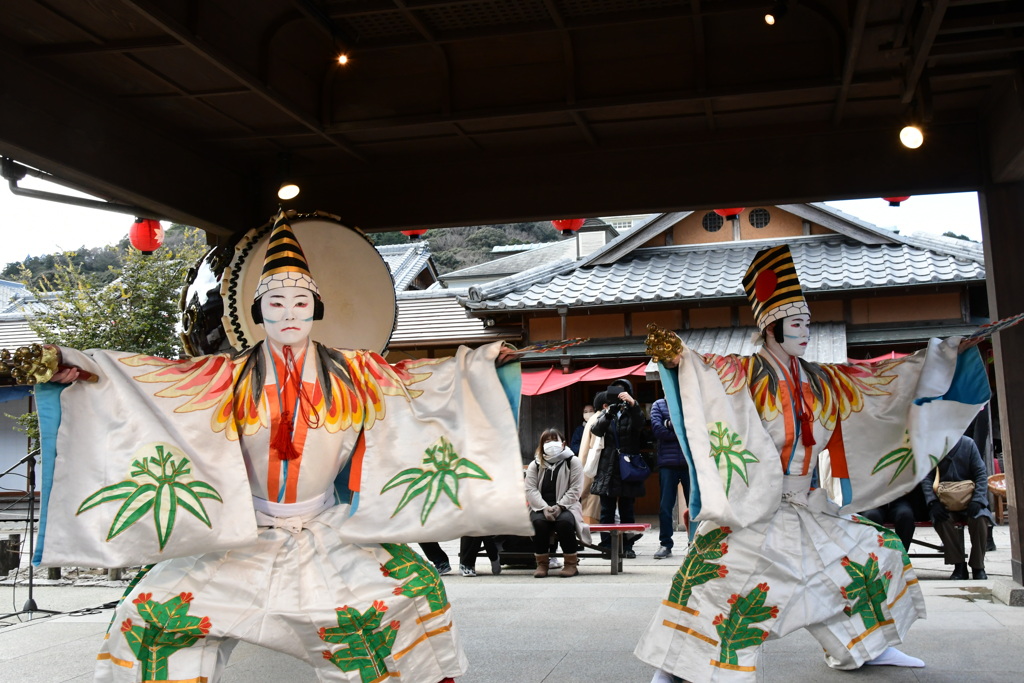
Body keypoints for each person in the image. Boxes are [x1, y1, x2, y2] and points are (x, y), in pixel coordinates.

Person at [33, 210, 529, 683]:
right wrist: (75, 364)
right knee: (149, 619)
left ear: (316, 308)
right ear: (257, 312)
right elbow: (144, 378)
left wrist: (482, 364)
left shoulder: (359, 371)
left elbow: (422, 385)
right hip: (241, 532)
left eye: (299, 303)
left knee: (404, 603)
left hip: (327, 529)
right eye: (275, 303)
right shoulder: (223, 375)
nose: (288, 313)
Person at [636, 244, 990, 683]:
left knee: (871, 557)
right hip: (756, 507)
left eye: (808, 323)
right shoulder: (740, 372)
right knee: (714, 576)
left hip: (808, 503)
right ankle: (674, 668)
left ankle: (868, 649)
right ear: (770, 327)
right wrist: (678, 356)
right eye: (797, 323)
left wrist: (948, 357)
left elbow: (882, 380)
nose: (806, 331)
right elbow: (704, 372)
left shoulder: (823, 379)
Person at [921, 434, 994, 580]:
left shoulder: (969, 444)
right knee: (942, 520)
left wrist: (978, 500)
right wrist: (933, 502)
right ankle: (958, 565)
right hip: (945, 502)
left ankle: (978, 565)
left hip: (970, 500)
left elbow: (980, 473)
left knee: (980, 519)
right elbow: (926, 477)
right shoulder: (934, 445)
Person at [590, 378, 647, 559]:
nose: (620, 395)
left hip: (627, 466)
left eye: (623, 391)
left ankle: (627, 545)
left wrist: (633, 404)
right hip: (608, 466)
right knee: (606, 510)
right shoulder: (608, 412)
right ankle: (607, 545)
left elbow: (641, 425)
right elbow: (596, 430)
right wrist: (608, 413)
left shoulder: (633, 413)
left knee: (627, 509)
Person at [524, 428, 590, 577]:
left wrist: (560, 507)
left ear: (563, 443)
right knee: (538, 523)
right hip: (540, 507)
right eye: (547, 441)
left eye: (555, 440)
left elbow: (576, 488)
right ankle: (542, 564)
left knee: (564, 523)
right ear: (541, 445)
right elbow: (530, 489)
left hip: (568, 506)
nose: (551, 444)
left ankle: (571, 564)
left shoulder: (573, 461)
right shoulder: (536, 464)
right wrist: (544, 507)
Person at [651, 396, 691, 559]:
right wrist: (680, 430)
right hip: (667, 463)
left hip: (690, 462)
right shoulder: (658, 404)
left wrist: (669, 425)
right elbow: (657, 430)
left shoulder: (690, 401)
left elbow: (695, 428)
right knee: (665, 506)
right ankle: (665, 543)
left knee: (695, 505)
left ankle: (695, 541)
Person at [858, 488, 927, 552]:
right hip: (874, 501)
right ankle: (876, 556)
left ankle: (901, 555)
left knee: (905, 516)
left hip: (898, 500)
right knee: (872, 516)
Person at [575, 392, 607, 525]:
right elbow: (597, 446)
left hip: (586, 464)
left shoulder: (593, 419)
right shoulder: (599, 419)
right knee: (593, 498)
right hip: (595, 465)